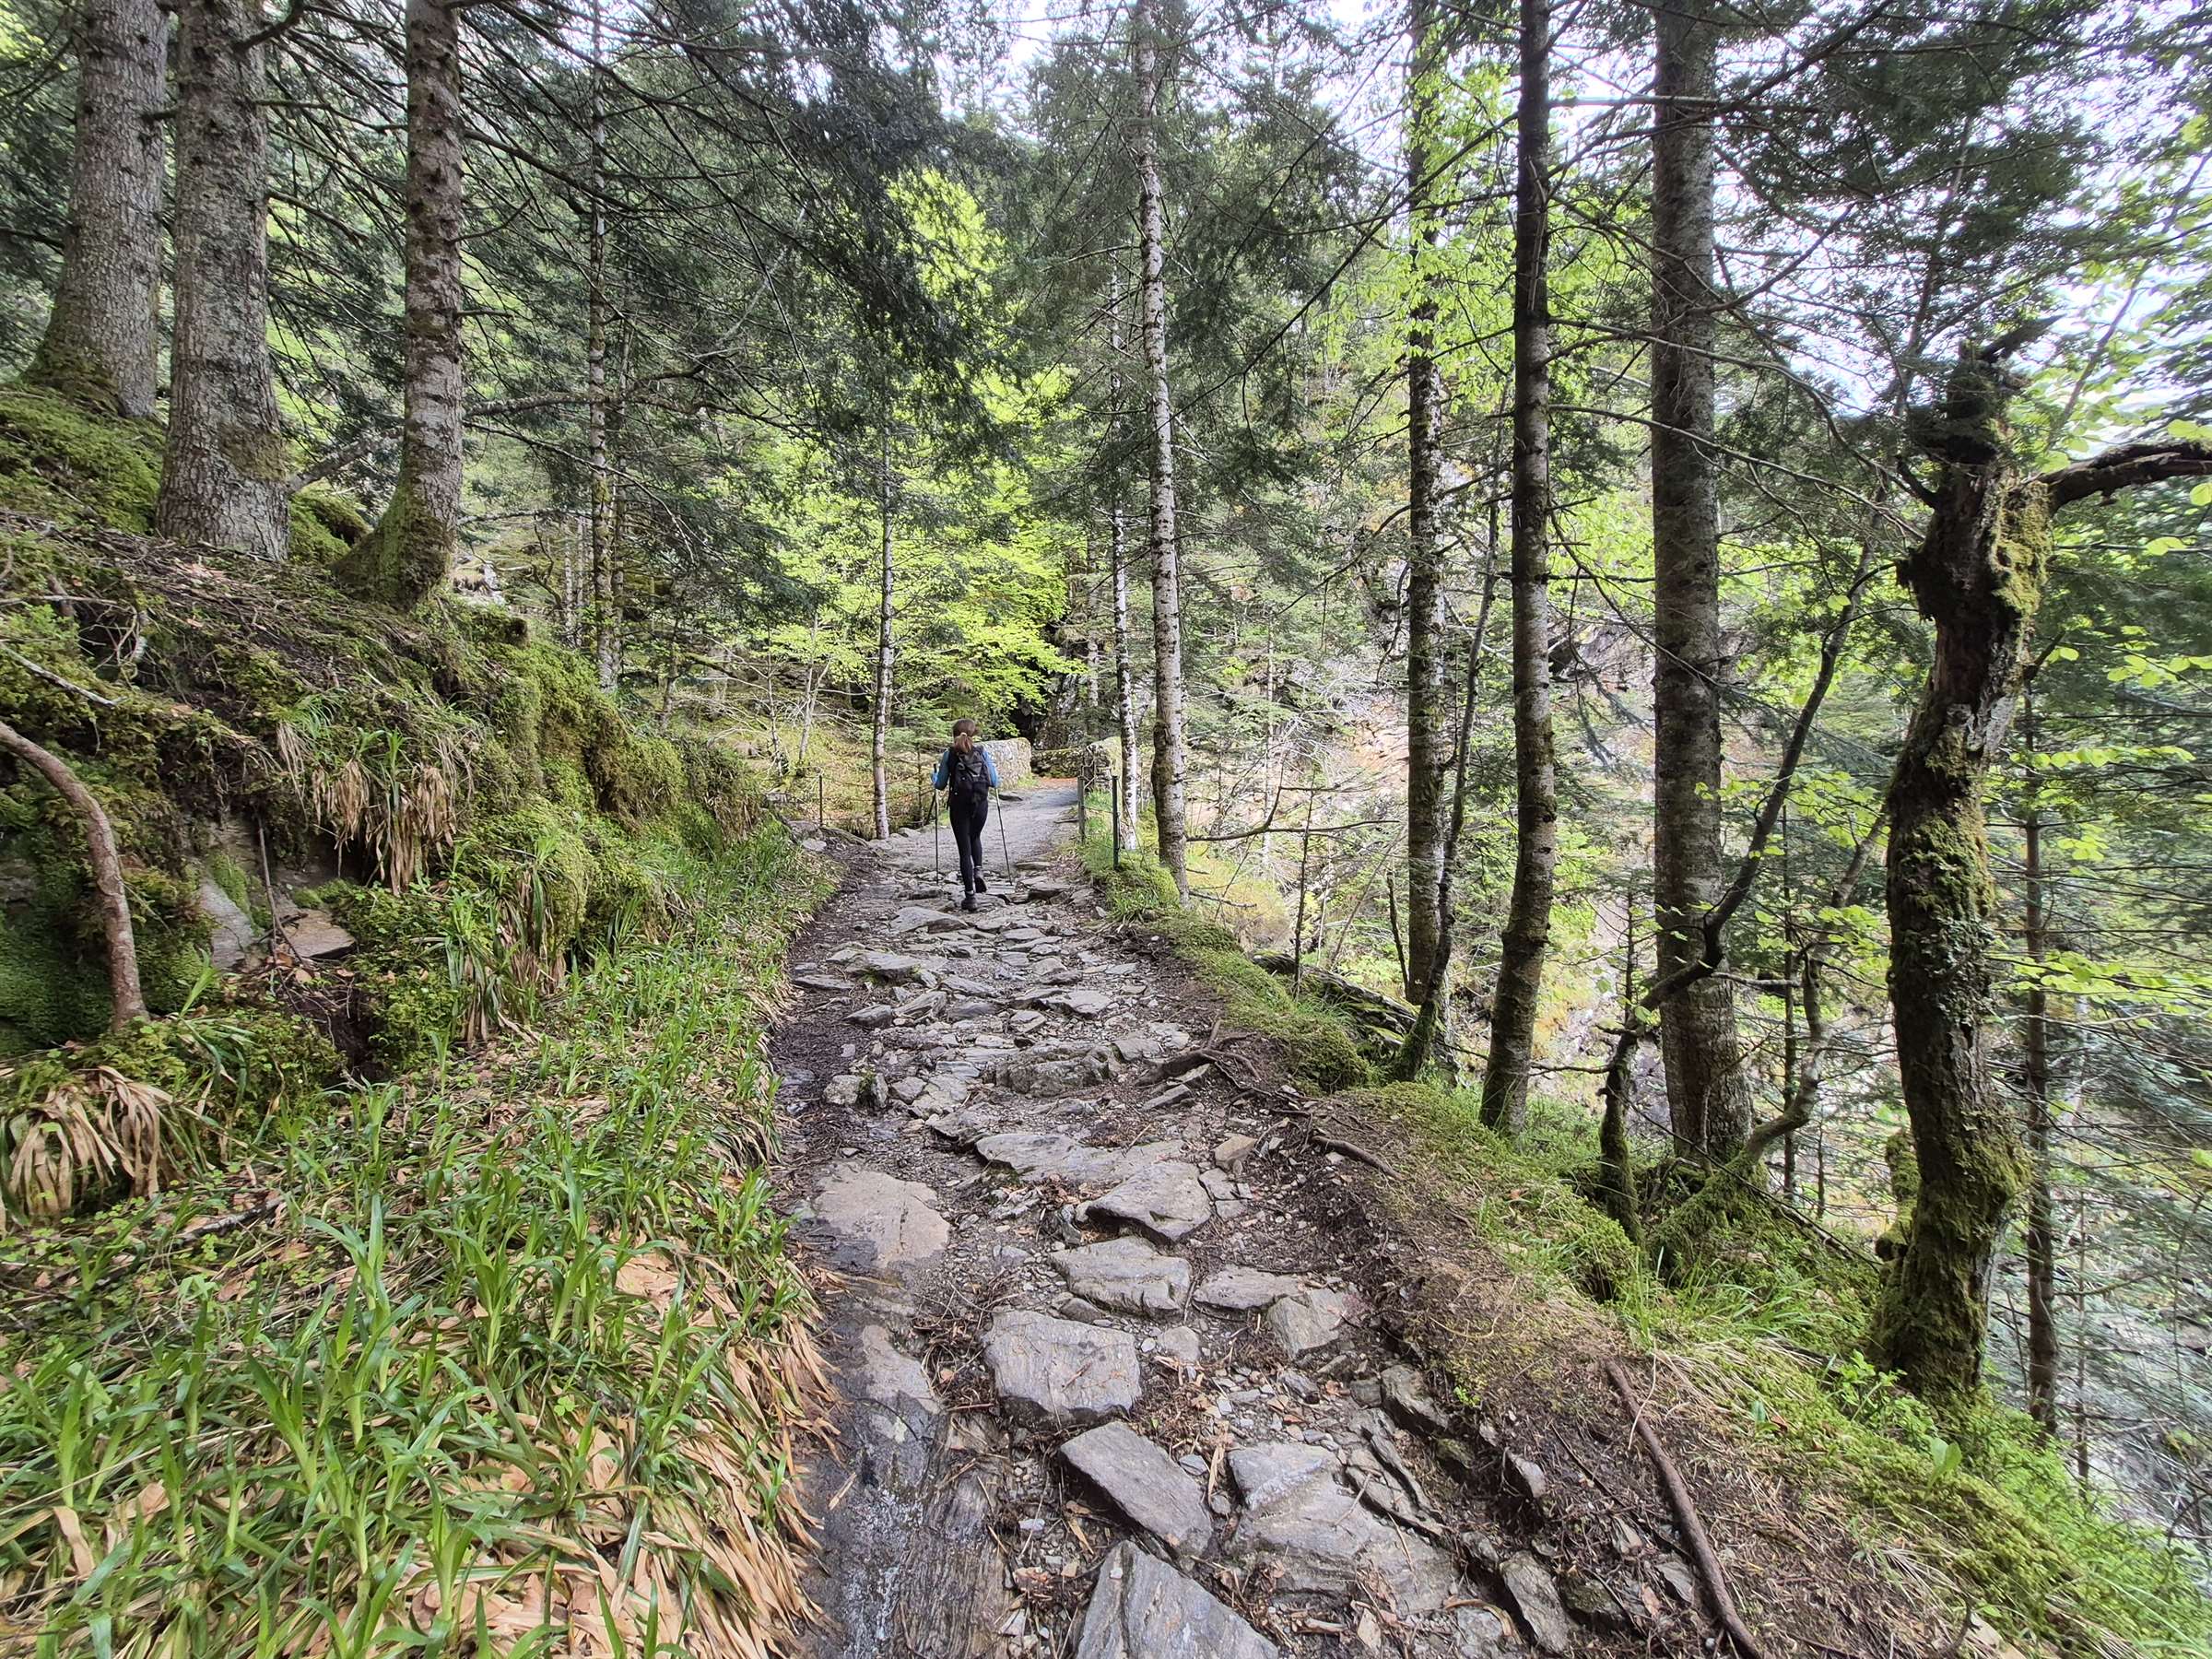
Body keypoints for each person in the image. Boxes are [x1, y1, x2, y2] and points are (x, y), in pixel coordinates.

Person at [933, 718, 999, 911]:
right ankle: (978, 871)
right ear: (973, 733)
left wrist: (934, 777)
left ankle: (970, 897)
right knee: (975, 837)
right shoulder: (982, 752)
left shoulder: (949, 754)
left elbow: (940, 784)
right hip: (980, 803)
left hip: (959, 805)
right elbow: (994, 781)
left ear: (953, 733)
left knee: (964, 849)